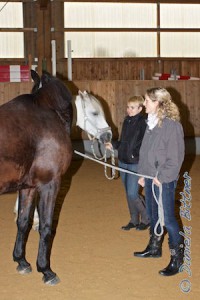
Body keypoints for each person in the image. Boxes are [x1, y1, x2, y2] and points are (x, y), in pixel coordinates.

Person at [133, 87, 185, 277]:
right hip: (149, 178)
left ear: (158, 103)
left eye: (146, 100)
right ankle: (154, 248)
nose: (144, 103)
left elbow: (176, 158)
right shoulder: (150, 124)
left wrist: (160, 177)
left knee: (168, 219)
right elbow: (145, 152)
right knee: (153, 215)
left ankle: (177, 259)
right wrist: (143, 174)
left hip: (164, 180)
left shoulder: (172, 126)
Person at [105, 95, 149, 231]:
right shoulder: (126, 121)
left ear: (140, 108)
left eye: (132, 107)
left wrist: (137, 155)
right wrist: (113, 145)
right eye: (128, 107)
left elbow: (145, 144)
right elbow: (124, 142)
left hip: (136, 163)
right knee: (128, 193)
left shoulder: (144, 123)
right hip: (123, 161)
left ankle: (147, 218)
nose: (129, 110)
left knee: (132, 194)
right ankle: (134, 220)